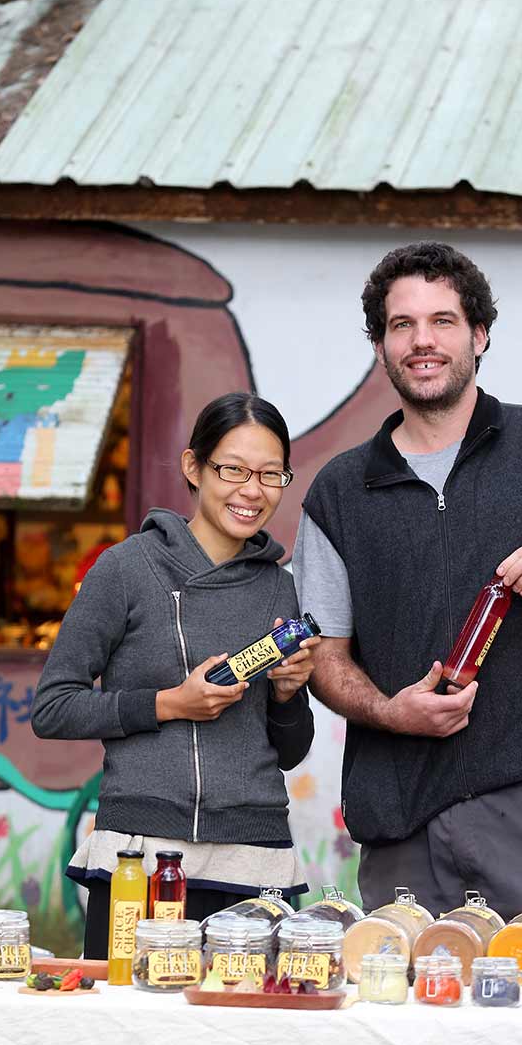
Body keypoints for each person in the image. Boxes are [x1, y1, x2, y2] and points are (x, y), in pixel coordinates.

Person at [294, 241, 522, 924]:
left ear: (480, 332)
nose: (422, 341)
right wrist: (387, 711)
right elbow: (324, 653)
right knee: (405, 1019)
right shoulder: (337, 491)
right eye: (401, 325)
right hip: (402, 819)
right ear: (380, 344)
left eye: (442, 320)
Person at [32, 392, 319, 957]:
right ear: (194, 467)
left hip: (252, 853)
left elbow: (289, 752)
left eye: (270, 475)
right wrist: (168, 704)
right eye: (233, 469)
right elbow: (53, 707)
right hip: (140, 850)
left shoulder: (278, 586)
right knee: (129, 1032)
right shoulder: (126, 568)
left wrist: (288, 695)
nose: (251, 490)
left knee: (251, 1035)